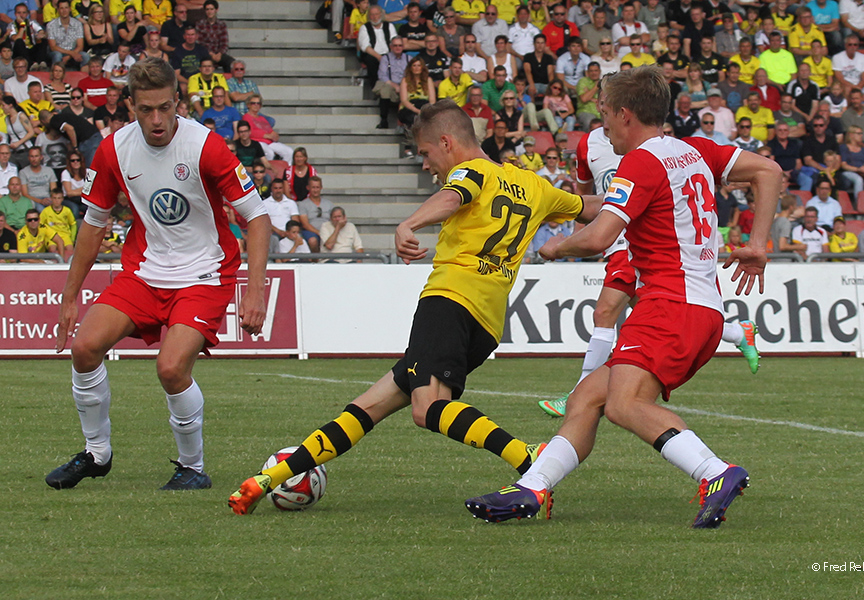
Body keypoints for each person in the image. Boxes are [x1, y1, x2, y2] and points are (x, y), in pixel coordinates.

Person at [228, 98, 603, 516]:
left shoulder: (472, 170)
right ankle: (269, 479)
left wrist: (408, 223)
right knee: (370, 405)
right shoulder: (533, 185)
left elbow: (452, 197)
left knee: (426, 410)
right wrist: (634, 202)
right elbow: (589, 207)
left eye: (425, 153)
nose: (426, 164)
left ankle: (529, 458)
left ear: (446, 142)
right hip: (487, 323)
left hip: (448, 301)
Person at [465, 65, 780, 529]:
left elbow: (598, 239)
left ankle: (716, 472)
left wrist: (553, 246)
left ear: (626, 114)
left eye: (606, 113)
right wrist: (758, 242)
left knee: (624, 404)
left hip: (669, 305)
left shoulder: (641, 162)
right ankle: (534, 490)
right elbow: (769, 170)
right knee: (586, 398)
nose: (603, 124)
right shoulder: (693, 150)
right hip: (700, 308)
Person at [46, 57, 270, 492]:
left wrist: (255, 290)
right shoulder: (114, 149)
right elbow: (93, 222)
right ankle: (97, 454)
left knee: (170, 368)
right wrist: (70, 295)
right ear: (130, 105)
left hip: (204, 272)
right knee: (85, 348)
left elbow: (256, 216)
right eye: (146, 109)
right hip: (146, 271)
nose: (156, 119)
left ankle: (192, 466)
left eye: (164, 108)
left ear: (177, 103)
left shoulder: (206, 145)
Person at [538, 116, 760, 419]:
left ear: (624, 110)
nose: (605, 110)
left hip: (630, 244)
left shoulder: (649, 156)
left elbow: (766, 170)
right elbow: (596, 199)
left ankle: (578, 393)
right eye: (602, 103)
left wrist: (563, 247)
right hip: (623, 239)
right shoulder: (588, 145)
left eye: (610, 103)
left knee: (606, 313)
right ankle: (735, 331)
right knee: (652, 310)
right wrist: (569, 216)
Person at [373, 36, 410, 129]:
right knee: (386, 89)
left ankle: (404, 123)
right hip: (390, 83)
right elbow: (382, 75)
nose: (398, 48)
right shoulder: (385, 58)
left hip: (404, 85)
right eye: (395, 45)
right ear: (391, 47)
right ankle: (384, 120)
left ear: (403, 46)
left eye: (400, 45)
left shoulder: (409, 59)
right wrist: (395, 86)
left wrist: (402, 86)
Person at [46, 0, 89, 70]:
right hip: (59, 52)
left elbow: (80, 46)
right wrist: (71, 53)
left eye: (66, 8)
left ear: (70, 9)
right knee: (57, 55)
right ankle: (56, 76)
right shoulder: (51, 25)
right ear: (58, 10)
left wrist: (69, 56)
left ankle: (82, 79)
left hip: (74, 52)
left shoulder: (77, 24)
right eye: (61, 8)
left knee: (85, 56)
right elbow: (53, 47)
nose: (64, 10)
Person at [296, 174, 334, 252]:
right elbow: (305, 224)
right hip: (311, 231)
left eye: (317, 187)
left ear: (321, 188)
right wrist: (319, 232)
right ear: (308, 188)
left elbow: (333, 220)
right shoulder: (303, 204)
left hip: (327, 231)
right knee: (313, 241)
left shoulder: (329, 204)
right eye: (313, 187)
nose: (315, 190)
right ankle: (316, 261)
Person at [195, 0, 232, 72]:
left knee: (231, 63)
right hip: (205, 54)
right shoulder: (199, 24)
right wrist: (211, 54)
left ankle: (229, 82)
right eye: (207, 9)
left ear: (216, 10)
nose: (209, 11)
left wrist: (219, 54)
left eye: (211, 9)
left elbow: (224, 43)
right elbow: (199, 43)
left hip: (218, 54)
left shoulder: (222, 24)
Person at [39, 187, 75, 258]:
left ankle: (66, 266)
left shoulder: (67, 211)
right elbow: (40, 225)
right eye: (54, 198)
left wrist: (72, 239)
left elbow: (73, 224)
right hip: (51, 236)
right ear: (51, 199)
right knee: (52, 248)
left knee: (70, 249)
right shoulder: (46, 211)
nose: (56, 201)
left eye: (59, 198)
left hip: (65, 235)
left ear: (62, 199)